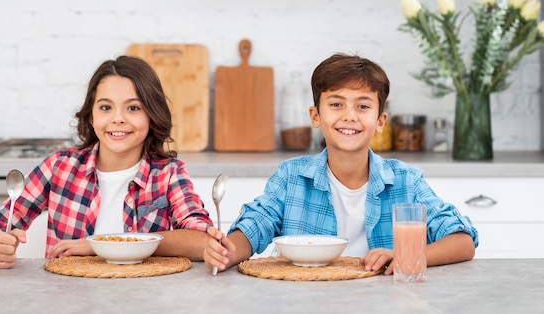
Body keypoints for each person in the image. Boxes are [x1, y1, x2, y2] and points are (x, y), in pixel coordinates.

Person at [204, 53, 478, 274]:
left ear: (380, 121)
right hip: (304, 298)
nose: (350, 116)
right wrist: (227, 251)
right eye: (336, 104)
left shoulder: (406, 180)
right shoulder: (291, 176)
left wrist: (410, 255)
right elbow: (256, 225)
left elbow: (463, 241)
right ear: (315, 115)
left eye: (363, 106)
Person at [0, 55, 213, 269]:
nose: (118, 119)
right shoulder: (59, 168)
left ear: (151, 116)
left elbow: (202, 240)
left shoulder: (169, 173)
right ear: (91, 116)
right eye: (105, 107)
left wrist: (100, 245)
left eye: (133, 108)